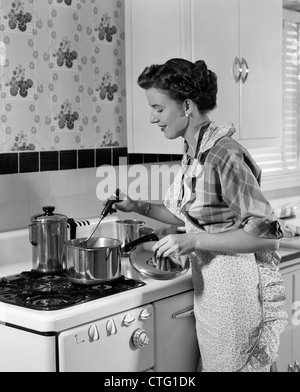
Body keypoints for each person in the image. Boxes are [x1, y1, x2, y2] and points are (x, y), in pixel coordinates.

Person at [115, 58, 288, 372]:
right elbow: (191, 216)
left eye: (158, 108)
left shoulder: (224, 154)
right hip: (211, 289)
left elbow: (268, 235)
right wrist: (138, 206)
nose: (152, 118)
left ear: (186, 106)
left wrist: (192, 242)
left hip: (236, 292)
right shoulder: (195, 149)